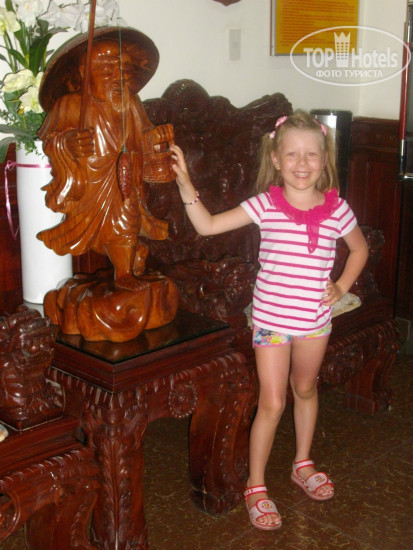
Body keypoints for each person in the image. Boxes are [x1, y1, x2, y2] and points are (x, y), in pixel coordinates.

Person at [170, 110, 369, 531]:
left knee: (306, 389)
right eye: (292, 154)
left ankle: (302, 463)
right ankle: (256, 485)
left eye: (311, 154)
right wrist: (186, 186)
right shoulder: (266, 205)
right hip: (272, 321)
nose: (302, 163)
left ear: (324, 158)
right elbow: (207, 226)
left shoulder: (336, 208)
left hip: (315, 320)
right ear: (276, 159)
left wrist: (341, 286)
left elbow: (359, 249)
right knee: (273, 402)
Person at [37, 28, 174, 291]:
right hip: (92, 182)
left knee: (127, 218)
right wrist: (68, 144)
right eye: (107, 70)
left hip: (126, 178)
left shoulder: (131, 103)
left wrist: (155, 137)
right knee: (104, 231)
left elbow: (144, 134)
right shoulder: (70, 105)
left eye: (123, 69)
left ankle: (125, 272)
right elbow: (51, 141)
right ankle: (130, 261)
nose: (118, 76)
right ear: (84, 73)